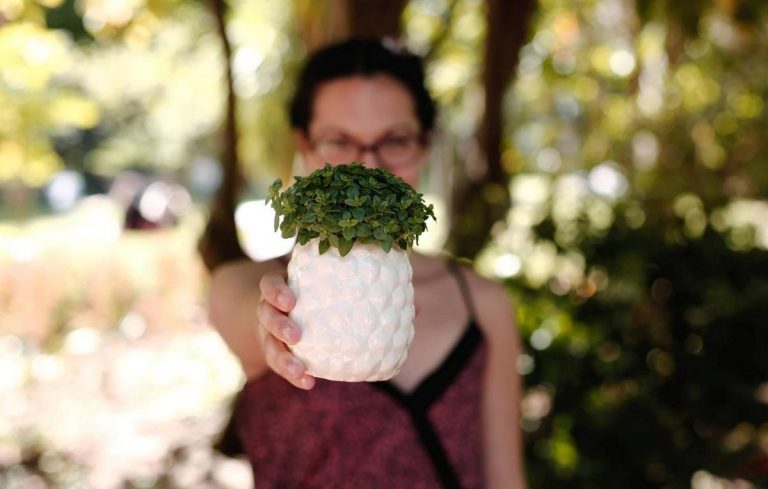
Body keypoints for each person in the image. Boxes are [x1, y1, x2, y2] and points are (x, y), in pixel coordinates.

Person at [207, 38, 526, 488]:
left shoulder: (484, 303)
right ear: (304, 146)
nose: (368, 167)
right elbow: (246, 310)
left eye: (395, 140)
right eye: (339, 140)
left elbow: (505, 479)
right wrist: (275, 325)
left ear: (425, 146)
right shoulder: (244, 286)